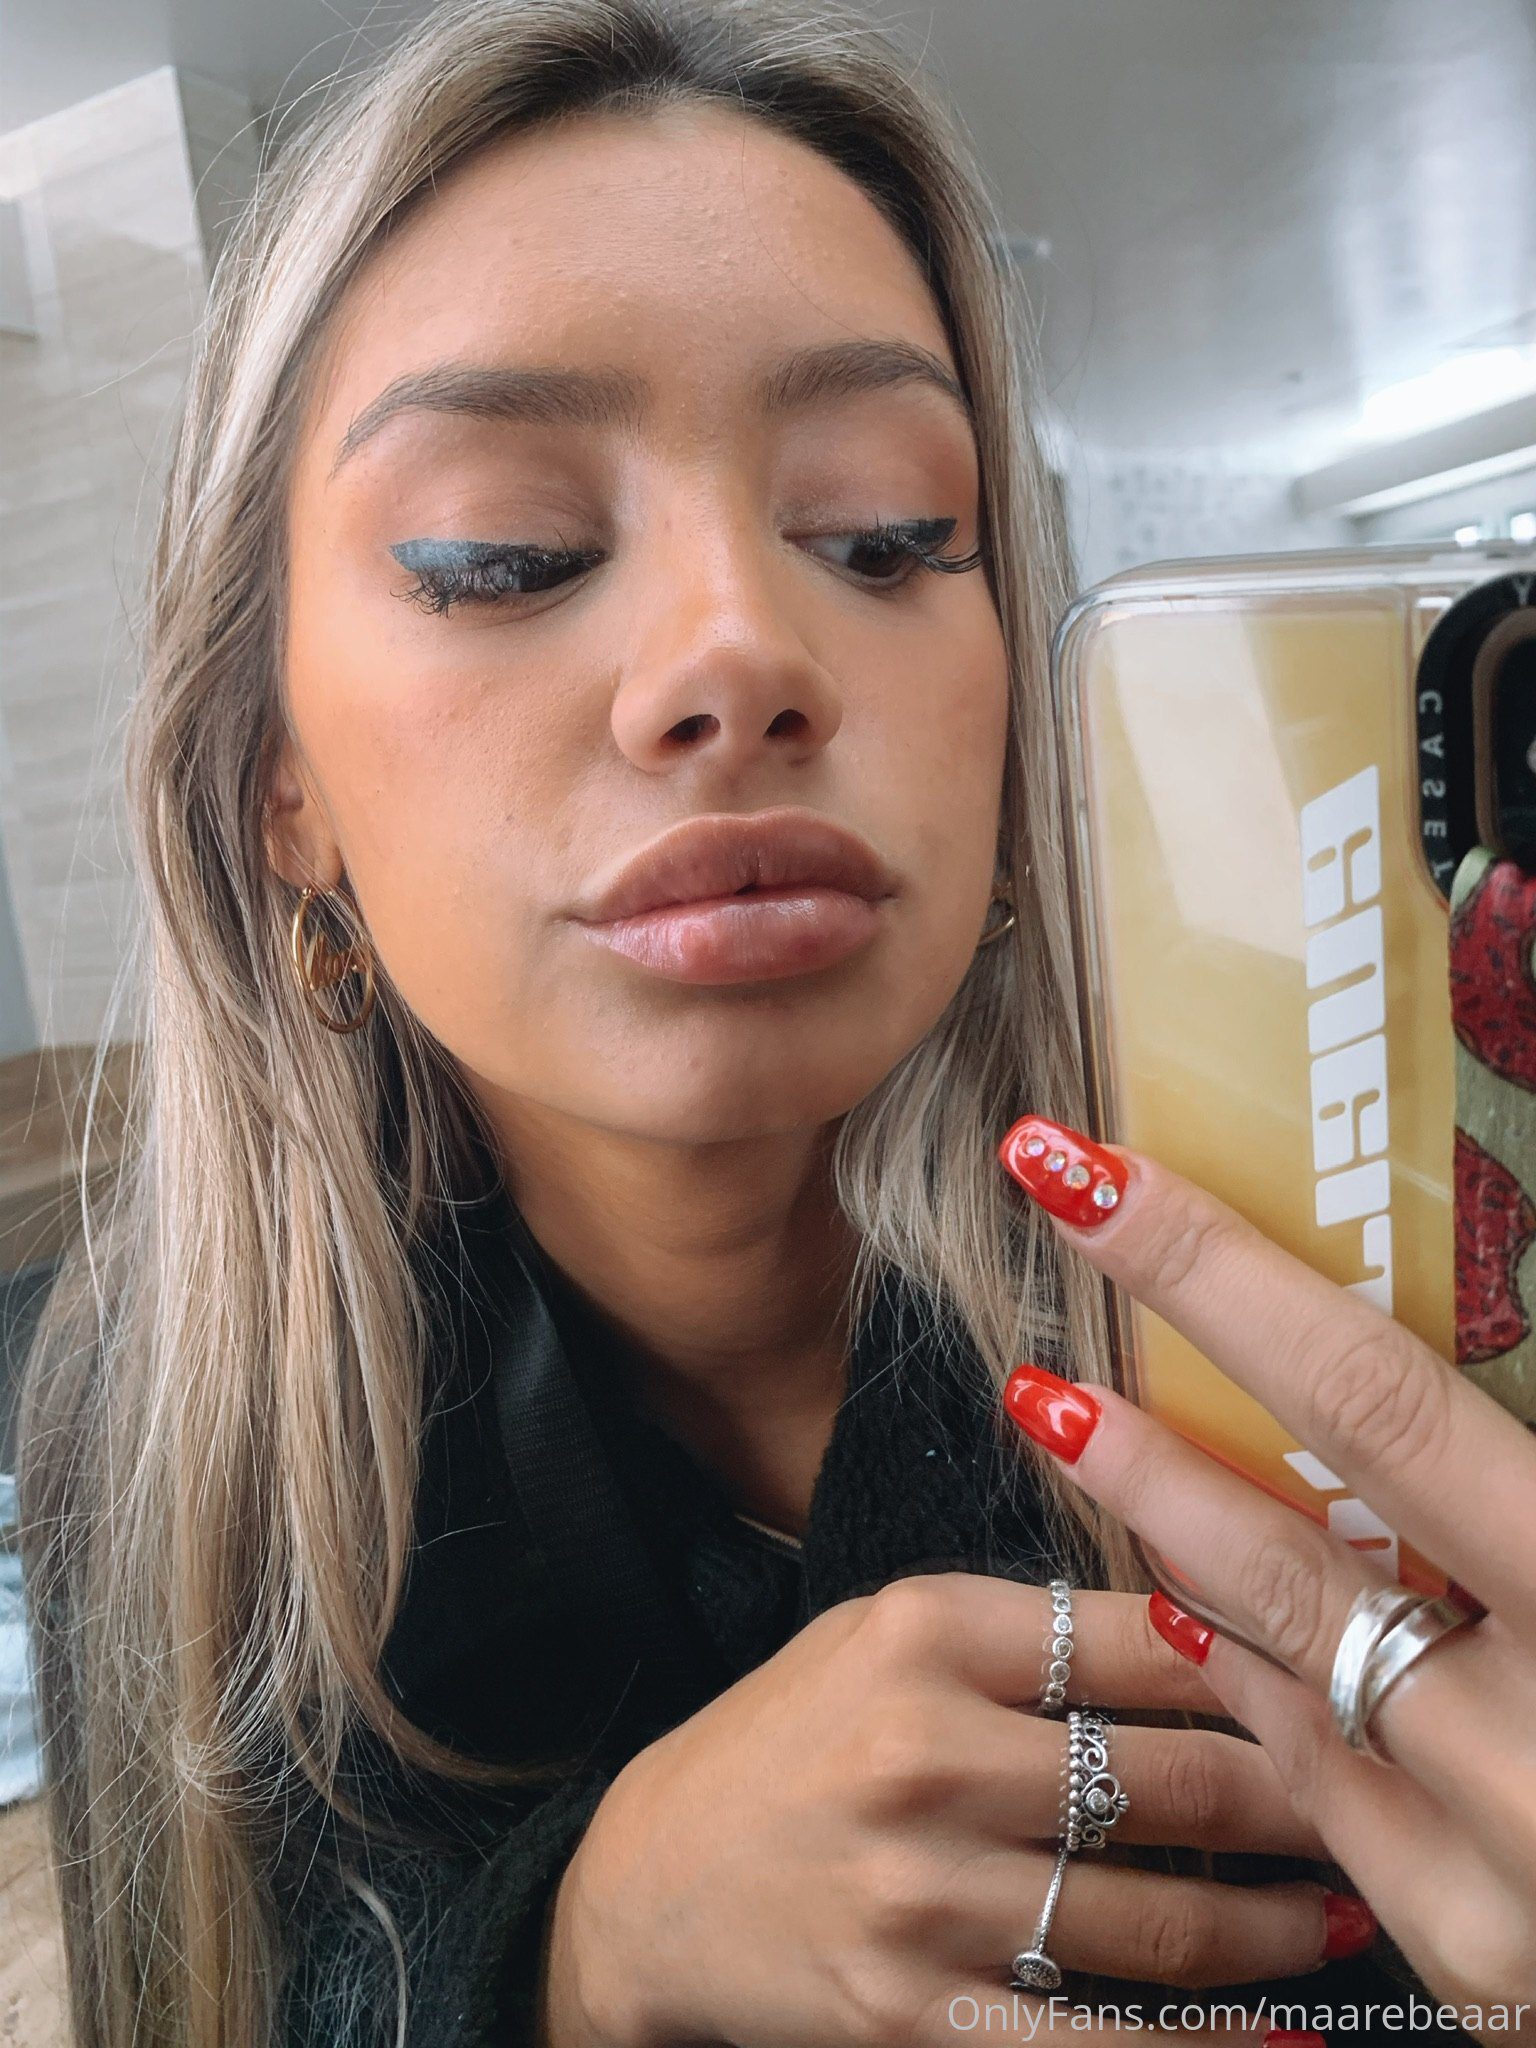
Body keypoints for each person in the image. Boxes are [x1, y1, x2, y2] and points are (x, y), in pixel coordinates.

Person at [12, 2, 1530, 2045]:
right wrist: (580, 1960)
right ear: (282, 783)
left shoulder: (1412, 1247)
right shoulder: (158, 1419)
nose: (736, 651)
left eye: (886, 534)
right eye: (505, 556)